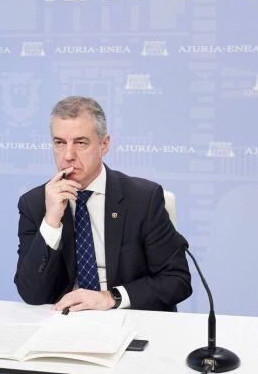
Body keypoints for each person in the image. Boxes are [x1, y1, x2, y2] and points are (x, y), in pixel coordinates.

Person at [15, 96, 192, 314]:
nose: (68, 155)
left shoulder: (143, 199)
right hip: (67, 324)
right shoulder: (35, 204)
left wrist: (110, 298)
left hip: (130, 317)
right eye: (60, 143)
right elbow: (31, 294)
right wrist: (51, 223)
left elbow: (176, 280)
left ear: (104, 144)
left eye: (80, 143)